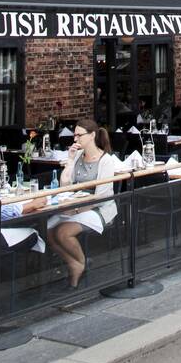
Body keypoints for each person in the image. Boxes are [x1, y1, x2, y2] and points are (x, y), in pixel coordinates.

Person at [47, 120, 124, 287]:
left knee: (62, 232)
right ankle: (75, 262)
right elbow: (65, 186)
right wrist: (70, 159)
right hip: (75, 207)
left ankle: (79, 264)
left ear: (92, 135)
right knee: (47, 230)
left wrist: (77, 208)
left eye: (79, 135)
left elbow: (101, 195)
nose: (75, 139)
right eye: (74, 135)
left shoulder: (105, 160)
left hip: (99, 208)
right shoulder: (77, 158)